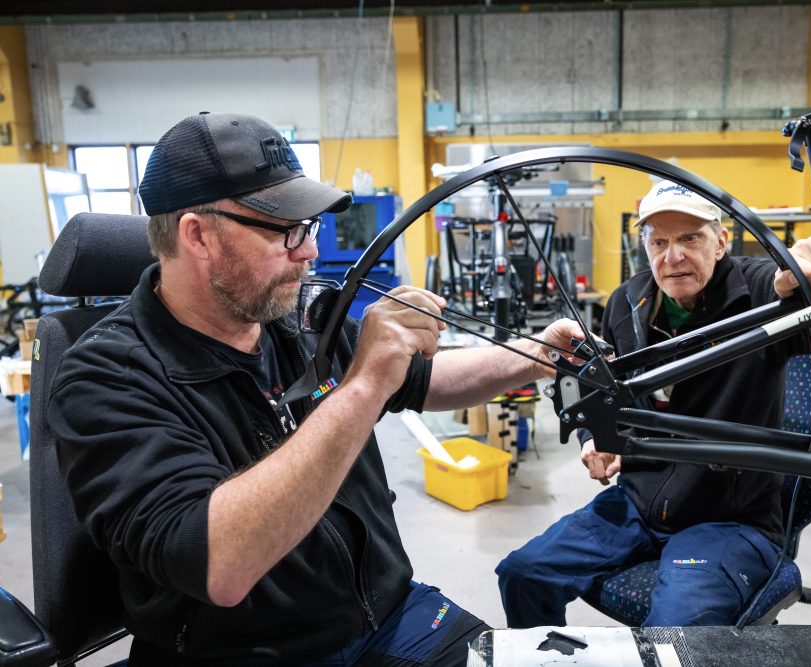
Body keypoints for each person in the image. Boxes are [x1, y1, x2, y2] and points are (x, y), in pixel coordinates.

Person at [49, 112, 583, 666]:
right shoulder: (108, 377)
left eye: (310, 228)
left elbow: (423, 379)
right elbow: (218, 563)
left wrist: (537, 355)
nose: (307, 252)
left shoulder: (290, 322)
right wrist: (365, 383)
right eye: (285, 230)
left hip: (388, 614)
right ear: (198, 234)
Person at [495, 180, 811, 628]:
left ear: (721, 242)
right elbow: (597, 385)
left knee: (675, 631)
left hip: (730, 519)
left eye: (689, 238)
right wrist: (592, 436)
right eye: (659, 242)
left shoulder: (760, 291)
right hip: (638, 503)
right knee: (523, 574)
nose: (671, 256)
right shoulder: (627, 302)